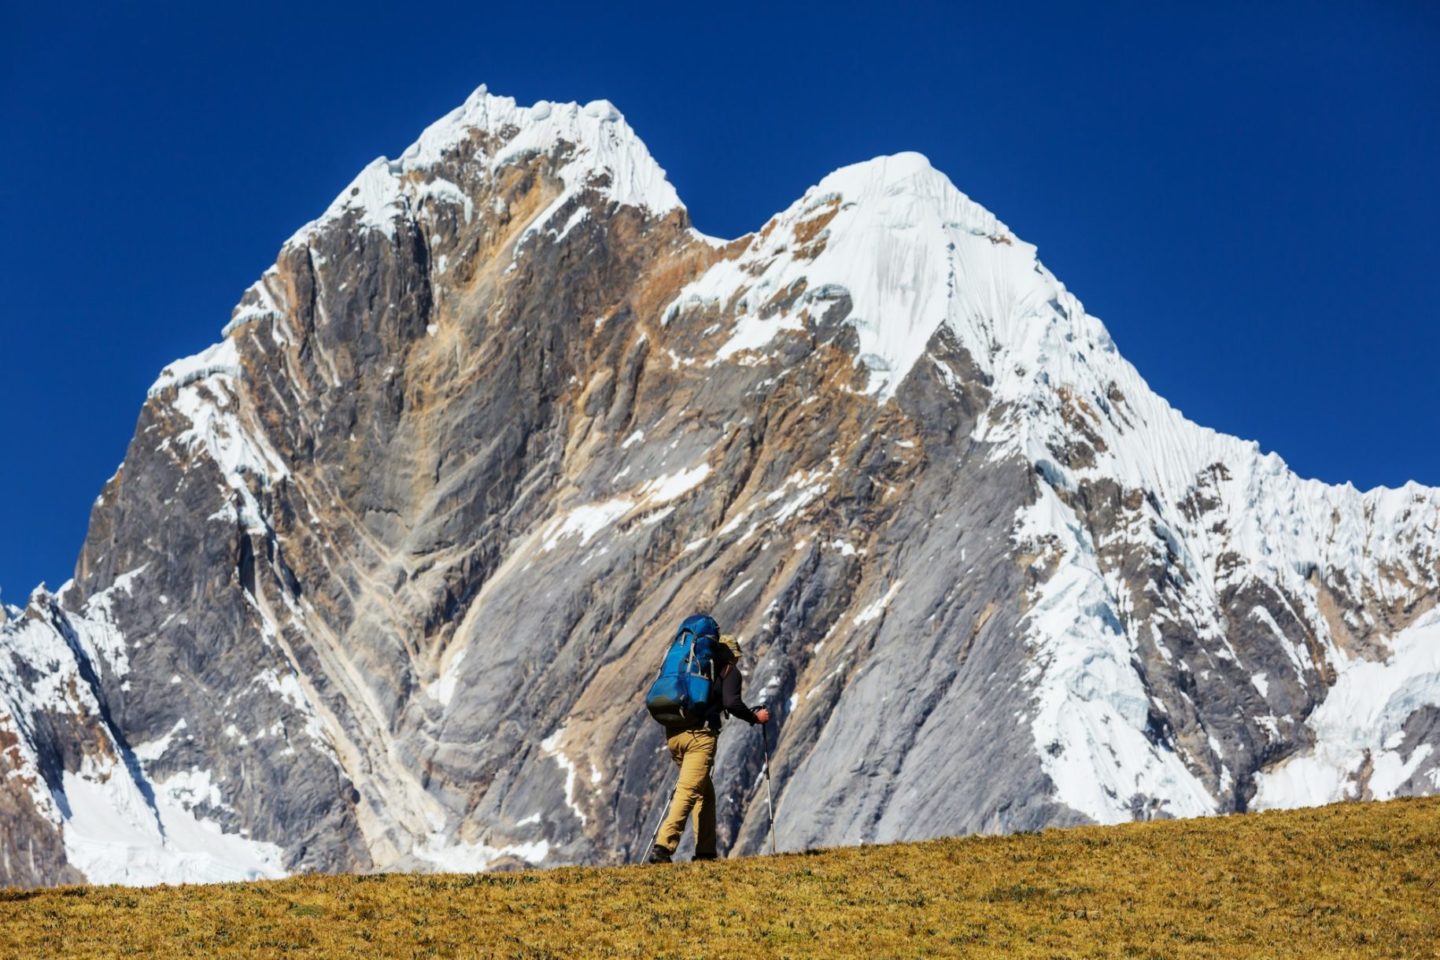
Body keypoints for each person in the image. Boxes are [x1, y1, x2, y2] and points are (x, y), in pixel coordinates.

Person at [648, 633, 770, 863]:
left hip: (675, 733)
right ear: (731, 655)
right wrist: (755, 717)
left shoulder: (692, 668)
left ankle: (705, 852)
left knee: (705, 793)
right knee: (688, 790)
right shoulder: (728, 671)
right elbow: (732, 703)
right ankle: (663, 847)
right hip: (700, 738)